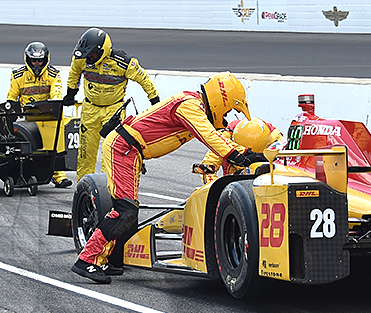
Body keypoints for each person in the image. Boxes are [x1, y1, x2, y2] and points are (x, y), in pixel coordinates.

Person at [72, 72, 263, 283]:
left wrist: (250, 153)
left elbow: (219, 134)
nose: (227, 114)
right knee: (125, 211)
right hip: (123, 148)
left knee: (127, 210)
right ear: (221, 98)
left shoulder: (195, 107)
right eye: (229, 108)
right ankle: (87, 259)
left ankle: (102, 259)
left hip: (130, 151)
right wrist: (238, 156)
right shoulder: (190, 106)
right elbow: (210, 138)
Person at [64, 28, 160, 182]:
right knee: (85, 154)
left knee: (110, 151)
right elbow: (74, 74)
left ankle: (108, 191)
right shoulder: (81, 58)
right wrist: (70, 93)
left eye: (92, 55)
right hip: (89, 109)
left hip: (114, 110)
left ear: (102, 51)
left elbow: (145, 80)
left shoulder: (124, 62)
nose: (88, 58)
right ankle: (83, 190)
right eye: (86, 55)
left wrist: (154, 100)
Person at [6, 41, 72, 189]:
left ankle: (58, 175)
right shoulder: (18, 76)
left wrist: (51, 108)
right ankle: (27, 171)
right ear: (28, 59)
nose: (36, 63)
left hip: (48, 115)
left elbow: (56, 95)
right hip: (26, 117)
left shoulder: (54, 74)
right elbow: (11, 98)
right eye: (33, 60)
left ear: (46, 59)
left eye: (40, 60)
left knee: (56, 128)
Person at [195, 117, 282, 184]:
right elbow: (207, 168)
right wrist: (218, 190)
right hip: (232, 178)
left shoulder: (276, 140)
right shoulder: (224, 137)